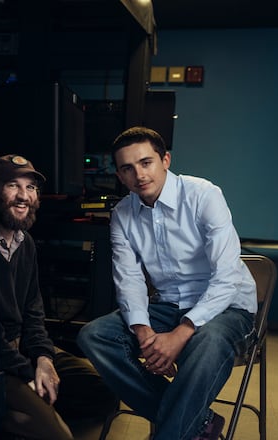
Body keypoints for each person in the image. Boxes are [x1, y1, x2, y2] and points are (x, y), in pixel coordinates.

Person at [76, 127, 258, 440]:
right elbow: (129, 279)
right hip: (168, 305)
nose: (139, 175)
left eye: (146, 162)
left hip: (228, 308)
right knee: (94, 336)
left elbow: (226, 276)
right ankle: (199, 422)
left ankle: (179, 428)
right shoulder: (122, 214)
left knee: (207, 341)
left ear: (166, 160)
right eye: (127, 168)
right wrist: (144, 333)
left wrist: (181, 333)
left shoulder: (203, 195)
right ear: (119, 176)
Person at [0, 154, 116, 440]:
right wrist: (28, 373)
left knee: (106, 393)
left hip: (25, 349)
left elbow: (33, 311)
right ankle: (18, 413)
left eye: (31, 187)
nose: (24, 196)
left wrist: (44, 359)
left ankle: (32, 410)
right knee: (60, 436)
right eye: (12, 185)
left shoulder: (25, 243)